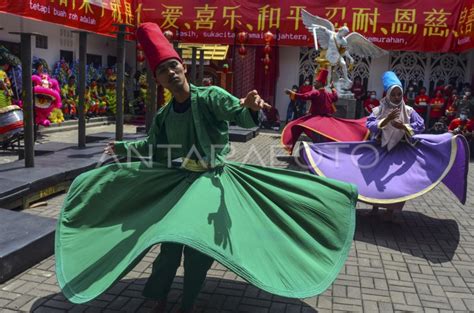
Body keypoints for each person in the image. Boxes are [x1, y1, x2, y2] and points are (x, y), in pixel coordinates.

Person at [55, 23, 357, 313]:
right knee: (169, 244)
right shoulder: (164, 115)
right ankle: (158, 297)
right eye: (162, 70)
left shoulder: (211, 96)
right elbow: (151, 147)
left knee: (197, 250)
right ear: (157, 79)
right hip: (181, 181)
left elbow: (237, 113)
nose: (170, 73)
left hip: (212, 182)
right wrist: (122, 148)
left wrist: (250, 109)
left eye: (173, 66)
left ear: (183, 67)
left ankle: (188, 304)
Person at [300, 71, 469, 223]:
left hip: (401, 152)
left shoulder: (409, 111)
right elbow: (371, 125)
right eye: (393, 94)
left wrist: (403, 127)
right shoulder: (378, 110)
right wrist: (387, 121)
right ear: (387, 94)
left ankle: (392, 212)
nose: (396, 97)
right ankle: (374, 209)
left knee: (398, 182)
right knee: (373, 179)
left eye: (399, 94)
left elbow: (420, 126)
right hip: (378, 149)